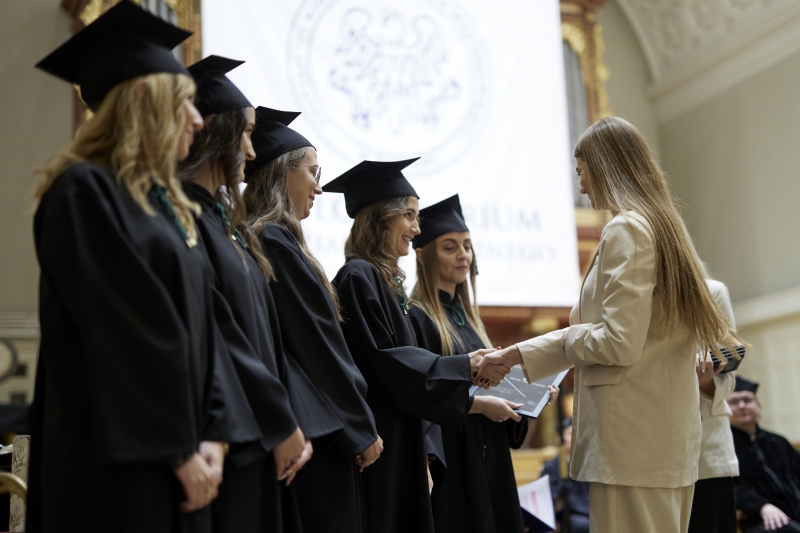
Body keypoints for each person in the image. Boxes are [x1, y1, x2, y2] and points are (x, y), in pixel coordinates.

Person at [28, 2, 252, 531]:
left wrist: (215, 436)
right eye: (188, 103)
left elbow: (208, 335)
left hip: (185, 456)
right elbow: (126, 329)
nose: (199, 121)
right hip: (120, 462)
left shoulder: (167, 209)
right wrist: (178, 448)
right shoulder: (82, 191)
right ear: (148, 97)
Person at [476, 116, 743, 533]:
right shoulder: (663, 227)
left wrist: (515, 354)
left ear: (604, 167)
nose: (581, 186)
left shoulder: (628, 229)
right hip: (662, 443)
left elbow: (619, 343)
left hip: (630, 447)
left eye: (581, 172)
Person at [325, 161, 507, 533]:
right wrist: (462, 366)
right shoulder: (358, 276)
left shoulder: (383, 283)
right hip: (382, 443)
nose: (416, 228)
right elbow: (384, 363)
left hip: (402, 440)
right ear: (380, 220)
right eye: (408, 216)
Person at [178, 56, 311, 533]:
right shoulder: (187, 220)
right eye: (246, 132)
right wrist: (279, 421)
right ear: (214, 130)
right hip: (231, 433)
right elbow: (222, 334)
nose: (252, 152)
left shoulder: (225, 224)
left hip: (260, 433)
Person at [243, 107, 383, 533]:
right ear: (282, 174)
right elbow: (316, 344)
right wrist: (360, 427)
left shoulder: (268, 237)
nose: (319, 187)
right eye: (312, 171)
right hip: (318, 429)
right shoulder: (273, 240)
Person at [407, 194, 530, 533]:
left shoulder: (471, 321)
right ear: (423, 254)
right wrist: (477, 406)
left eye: (467, 246)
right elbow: (420, 395)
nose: (463, 254)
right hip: (453, 458)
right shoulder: (417, 317)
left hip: (489, 456)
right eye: (450, 247)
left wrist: (527, 397)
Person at [688, 278, 740, 533]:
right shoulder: (633, 295)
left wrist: (704, 380)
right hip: (646, 452)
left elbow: (727, 380)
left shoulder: (711, 292)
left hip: (705, 455)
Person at [730, 377, 800, 533]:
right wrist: (762, 506)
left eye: (747, 400)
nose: (742, 405)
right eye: (734, 402)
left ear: (758, 406)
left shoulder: (778, 441)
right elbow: (731, 488)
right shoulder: (723, 448)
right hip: (762, 518)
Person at [541, 418, 590, 533]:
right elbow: (549, 503)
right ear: (559, 438)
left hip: (591, 511)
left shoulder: (587, 463)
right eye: (570, 434)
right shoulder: (551, 467)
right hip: (570, 515)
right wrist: (560, 496)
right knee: (585, 526)